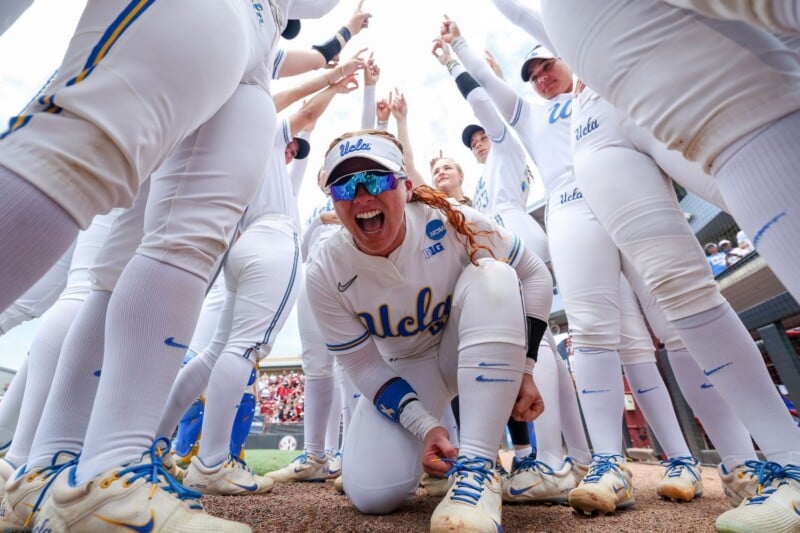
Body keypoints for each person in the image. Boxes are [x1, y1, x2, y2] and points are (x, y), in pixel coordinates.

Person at [306, 129, 553, 531]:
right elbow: (365, 368)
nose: (362, 195)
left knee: (494, 274)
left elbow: (534, 274)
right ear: (332, 198)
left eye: (377, 178)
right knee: (371, 494)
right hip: (409, 368)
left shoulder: (449, 221)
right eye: (345, 184)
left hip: (467, 344)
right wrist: (426, 425)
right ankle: (443, 457)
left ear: (405, 187)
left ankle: (477, 468)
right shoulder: (324, 270)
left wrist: (525, 368)